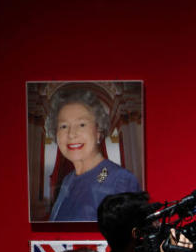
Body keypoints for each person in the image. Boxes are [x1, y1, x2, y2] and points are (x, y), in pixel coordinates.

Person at [46, 89, 140, 222]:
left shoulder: (118, 180)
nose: (72, 134)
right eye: (64, 126)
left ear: (98, 131)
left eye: (82, 124)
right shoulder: (68, 180)